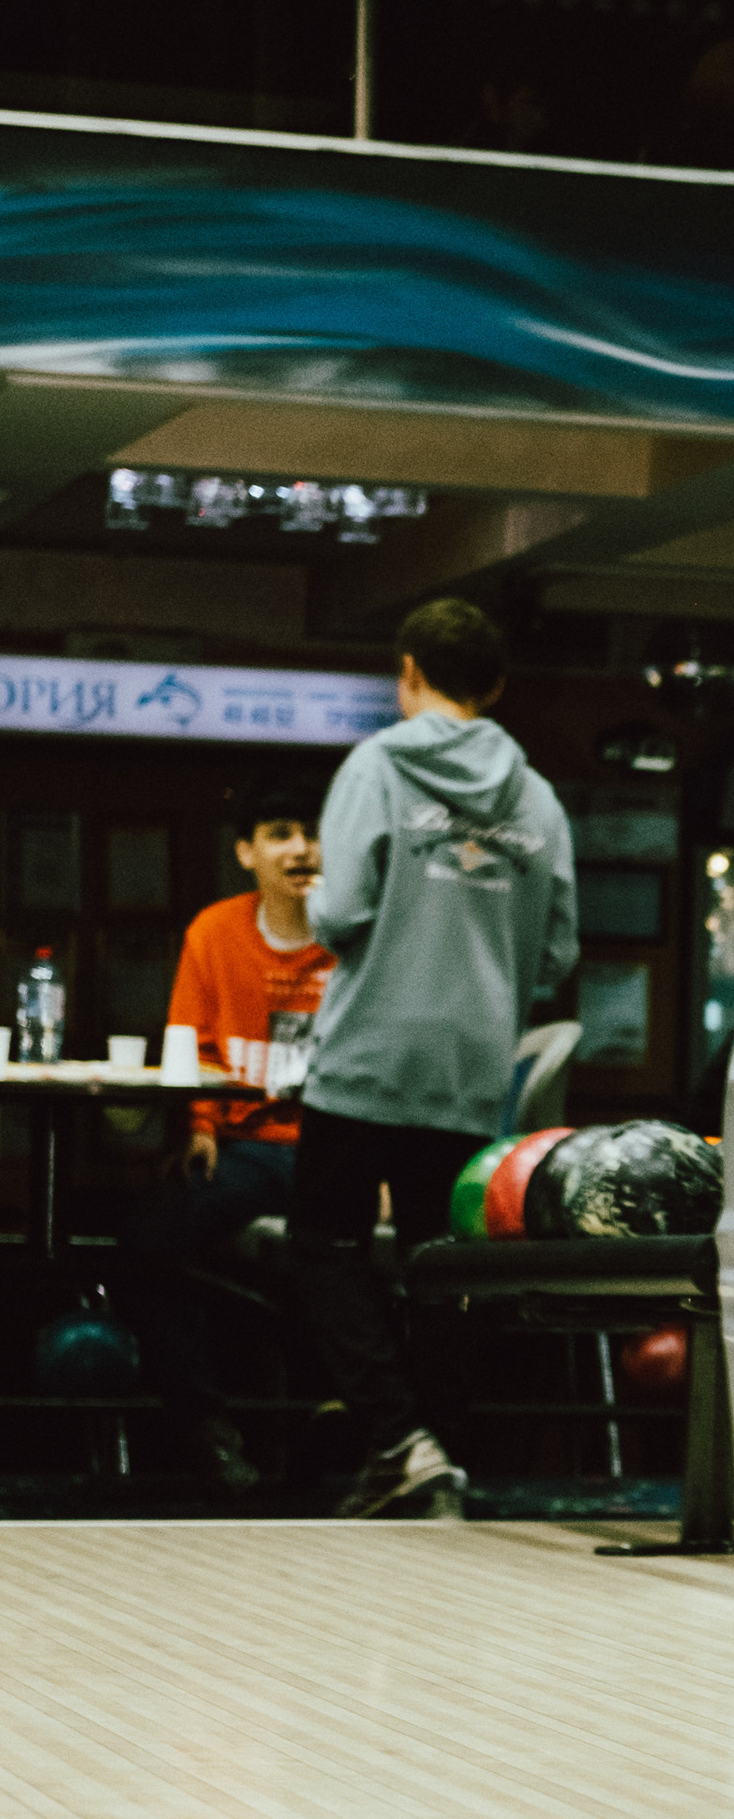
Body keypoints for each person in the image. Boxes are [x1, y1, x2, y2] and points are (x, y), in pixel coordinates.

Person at [292, 596, 579, 1518]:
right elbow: (558, 954)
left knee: (324, 1245)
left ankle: (397, 1438)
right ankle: (438, 1455)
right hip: (472, 1066)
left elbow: (339, 912)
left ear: (408, 673)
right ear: (494, 686)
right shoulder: (537, 798)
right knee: (440, 1264)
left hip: (368, 1052)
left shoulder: (377, 765)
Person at [113, 774, 336, 1490]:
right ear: (246, 852)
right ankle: (204, 1427)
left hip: (333, 1148)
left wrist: (383, 1162)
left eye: (313, 833)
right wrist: (200, 1126)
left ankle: (335, 1439)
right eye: (280, 835)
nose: (300, 850)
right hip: (244, 1148)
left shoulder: (355, 936)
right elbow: (192, 1041)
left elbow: (389, 1057)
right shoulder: (214, 932)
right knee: (148, 1238)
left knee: (334, 1265)